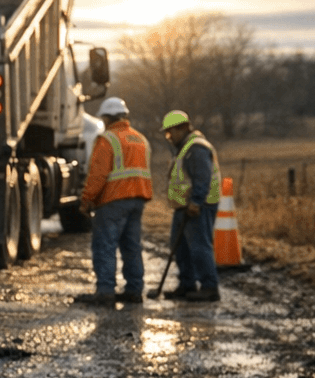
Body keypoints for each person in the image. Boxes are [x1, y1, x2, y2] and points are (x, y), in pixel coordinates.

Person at [74, 96, 153, 306]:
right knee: (131, 247)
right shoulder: (140, 139)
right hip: (138, 199)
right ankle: (134, 290)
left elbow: (98, 174)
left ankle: (105, 292)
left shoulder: (107, 139)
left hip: (114, 201)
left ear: (107, 118)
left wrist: (87, 200)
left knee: (105, 246)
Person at [159, 109, 222, 302]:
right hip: (183, 207)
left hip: (197, 207)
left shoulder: (196, 148)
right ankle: (187, 284)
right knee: (181, 248)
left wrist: (196, 201)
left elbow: (202, 177)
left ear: (184, 128)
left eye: (171, 132)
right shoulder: (185, 148)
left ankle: (209, 287)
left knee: (199, 247)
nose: (169, 137)